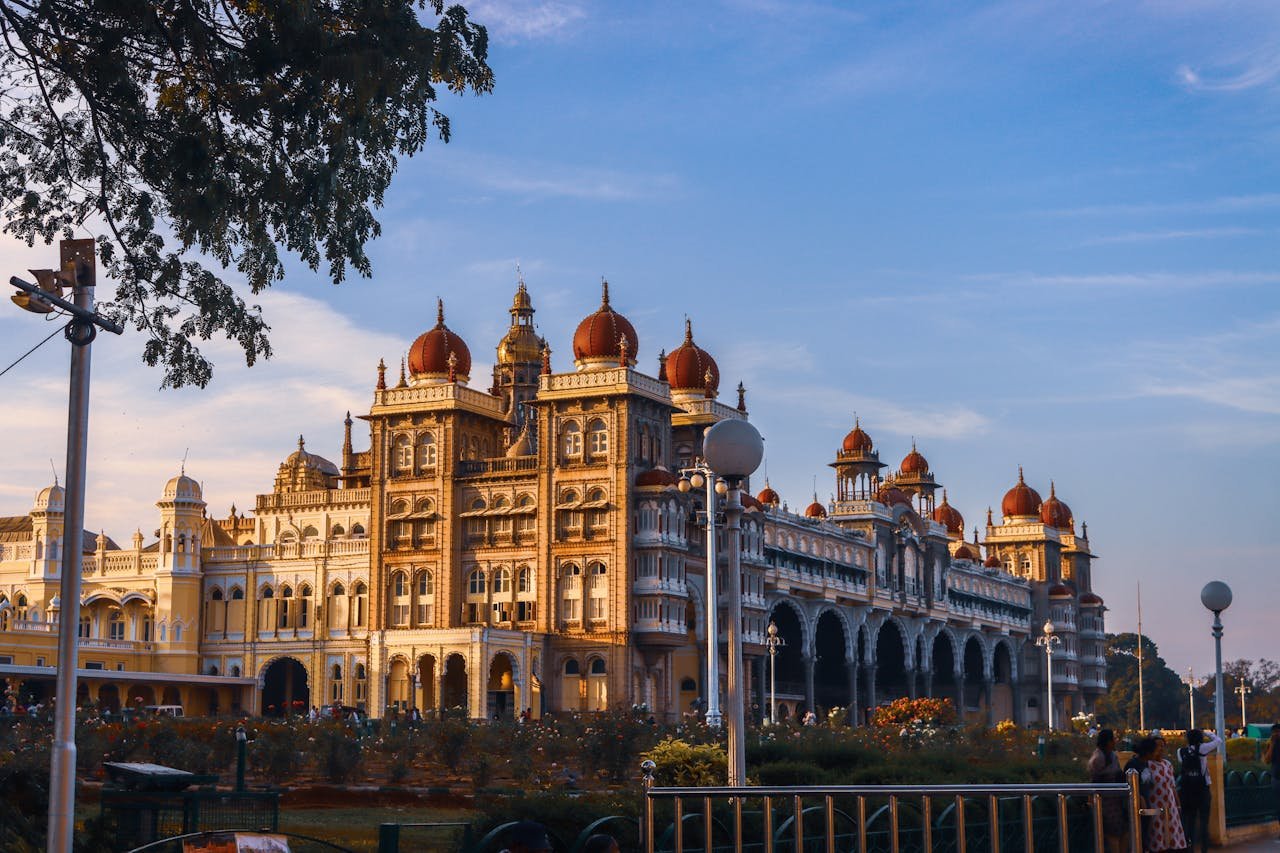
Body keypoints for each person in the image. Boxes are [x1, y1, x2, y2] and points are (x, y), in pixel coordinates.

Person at [1179, 728, 1223, 853]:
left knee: (1190, 822)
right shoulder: (1202, 749)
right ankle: (1204, 849)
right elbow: (1218, 740)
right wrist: (1208, 733)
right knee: (1204, 822)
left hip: (1187, 790)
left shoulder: (1180, 751)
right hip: (1202, 789)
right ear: (1200, 738)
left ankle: (1190, 848)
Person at [1088, 729, 1126, 853]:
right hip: (1105, 800)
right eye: (1113, 739)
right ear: (1108, 741)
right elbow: (1095, 780)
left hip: (1116, 799)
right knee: (1112, 833)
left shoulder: (1113, 755)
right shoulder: (1098, 758)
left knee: (1122, 831)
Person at [1145, 735, 1186, 851]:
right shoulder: (1148, 765)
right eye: (1158, 746)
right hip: (1156, 806)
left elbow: (1172, 786)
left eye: (1162, 746)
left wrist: (1178, 805)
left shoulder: (1167, 764)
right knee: (1157, 836)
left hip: (1170, 806)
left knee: (1171, 836)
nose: (1160, 749)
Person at [1124, 737, 1157, 851]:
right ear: (1148, 752)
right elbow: (1130, 786)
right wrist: (1139, 798)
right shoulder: (1133, 764)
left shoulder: (1145, 763)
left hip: (1146, 804)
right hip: (1137, 805)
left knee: (1146, 833)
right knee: (1139, 833)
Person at [1264, 722, 1280, 841]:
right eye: (1274, 732)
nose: (1276, 734)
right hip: (1276, 778)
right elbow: (1267, 760)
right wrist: (1273, 744)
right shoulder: (1272, 744)